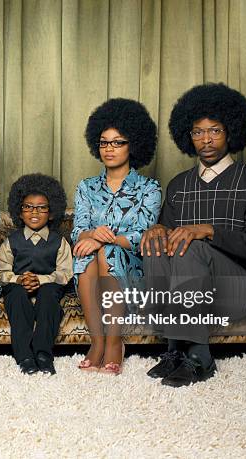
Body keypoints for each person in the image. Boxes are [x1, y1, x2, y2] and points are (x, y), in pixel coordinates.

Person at [140, 83, 246, 387]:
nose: (206, 140)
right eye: (198, 132)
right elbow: (166, 239)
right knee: (158, 245)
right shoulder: (178, 185)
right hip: (191, 292)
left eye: (214, 131)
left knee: (190, 246)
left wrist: (210, 232)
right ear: (187, 137)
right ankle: (175, 350)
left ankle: (200, 357)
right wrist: (157, 230)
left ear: (230, 132)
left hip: (241, 288)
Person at [72, 98, 162, 375]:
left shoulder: (149, 188)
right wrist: (91, 236)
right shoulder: (86, 188)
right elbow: (78, 231)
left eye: (118, 142)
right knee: (86, 253)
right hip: (91, 269)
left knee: (104, 250)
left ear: (133, 144)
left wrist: (101, 239)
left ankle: (114, 342)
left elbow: (141, 236)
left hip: (133, 271)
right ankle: (97, 342)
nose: (109, 149)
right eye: (104, 142)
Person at [0, 174, 72, 375]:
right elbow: (2, 271)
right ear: (19, 213)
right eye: (28, 207)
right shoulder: (12, 241)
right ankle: (24, 356)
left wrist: (41, 280)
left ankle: (43, 354)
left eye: (41, 207)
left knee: (48, 297)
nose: (34, 212)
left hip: (49, 285)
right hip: (18, 285)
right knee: (17, 297)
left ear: (52, 212)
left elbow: (65, 273)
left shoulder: (59, 241)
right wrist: (19, 279)